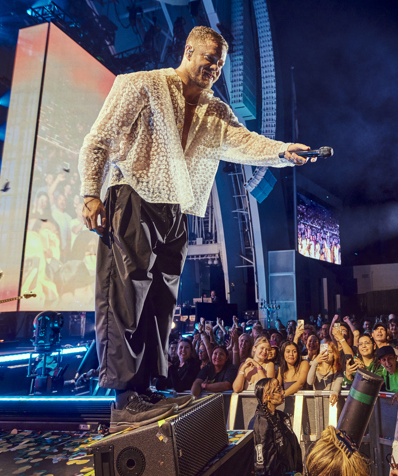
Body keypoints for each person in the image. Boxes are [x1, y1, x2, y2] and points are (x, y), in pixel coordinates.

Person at [79, 25, 313, 427]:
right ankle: (124, 395)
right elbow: (97, 140)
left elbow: (244, 142)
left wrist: (282, 152)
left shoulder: (215, 109)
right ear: (188, 51)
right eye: (210, 59)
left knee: (160, 303)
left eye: (220, 64)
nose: (215, 69)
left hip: (177, 211)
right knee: (124, 296)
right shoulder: (140, 85)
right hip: (132, 195)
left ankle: (148, 384)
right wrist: (89, 192)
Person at [252, 378, 303, 476]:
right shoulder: (261, 425)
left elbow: (294, 447)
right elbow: (263, 466)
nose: (283, 392)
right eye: (278, 390)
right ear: (266, 397)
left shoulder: (282, 417)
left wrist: (297, 471)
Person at [307, 341, 343, 406]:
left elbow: (338, 384)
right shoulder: (314, 367)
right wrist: (315, 362)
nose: (327, 354)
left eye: (330, 352)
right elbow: (310, 382)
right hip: (317, 405)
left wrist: (335, 393)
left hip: (331, 405)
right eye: (325, 351)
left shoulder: (338, 371)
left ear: (334, 355)